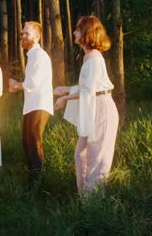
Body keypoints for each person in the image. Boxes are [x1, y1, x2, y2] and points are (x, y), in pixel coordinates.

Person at [53, 16, 119, 196]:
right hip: (93, 106)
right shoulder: (88, 57)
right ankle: (84, 198)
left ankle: (93, 206)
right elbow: (87, 87)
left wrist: (65, 98)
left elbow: (89, 91)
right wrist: (65, 89)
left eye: (77, 29)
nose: (74, 32)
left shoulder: (95, 59)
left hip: (102, 108)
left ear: (86, 33)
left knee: (97, 159)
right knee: (80, 155)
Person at [9, 21, 53, 184]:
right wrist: (18, 85)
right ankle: (33, 179)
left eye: (26, 33)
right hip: (32, 105)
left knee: (33, 142)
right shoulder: (33, 56)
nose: (23, 36)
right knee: (27, 141)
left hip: (39, 105)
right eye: (22, 34)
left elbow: (33, 82)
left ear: (37, 36)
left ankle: (38, 183)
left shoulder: (40, 56)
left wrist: (17, 85)